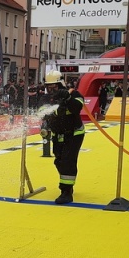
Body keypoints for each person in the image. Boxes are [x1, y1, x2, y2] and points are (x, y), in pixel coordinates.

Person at [42, 71, 85, 204]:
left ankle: (66, 192)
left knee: (68, 161)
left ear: (60, 84)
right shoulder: (46, 99)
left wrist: (67, 99)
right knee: (59, 161)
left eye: (54, 87)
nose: (51, 90)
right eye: (49, 87)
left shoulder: (73, 94)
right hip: (57, 134)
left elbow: (77, 108)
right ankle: (67, 184)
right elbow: (42, 112)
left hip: (74, 134)